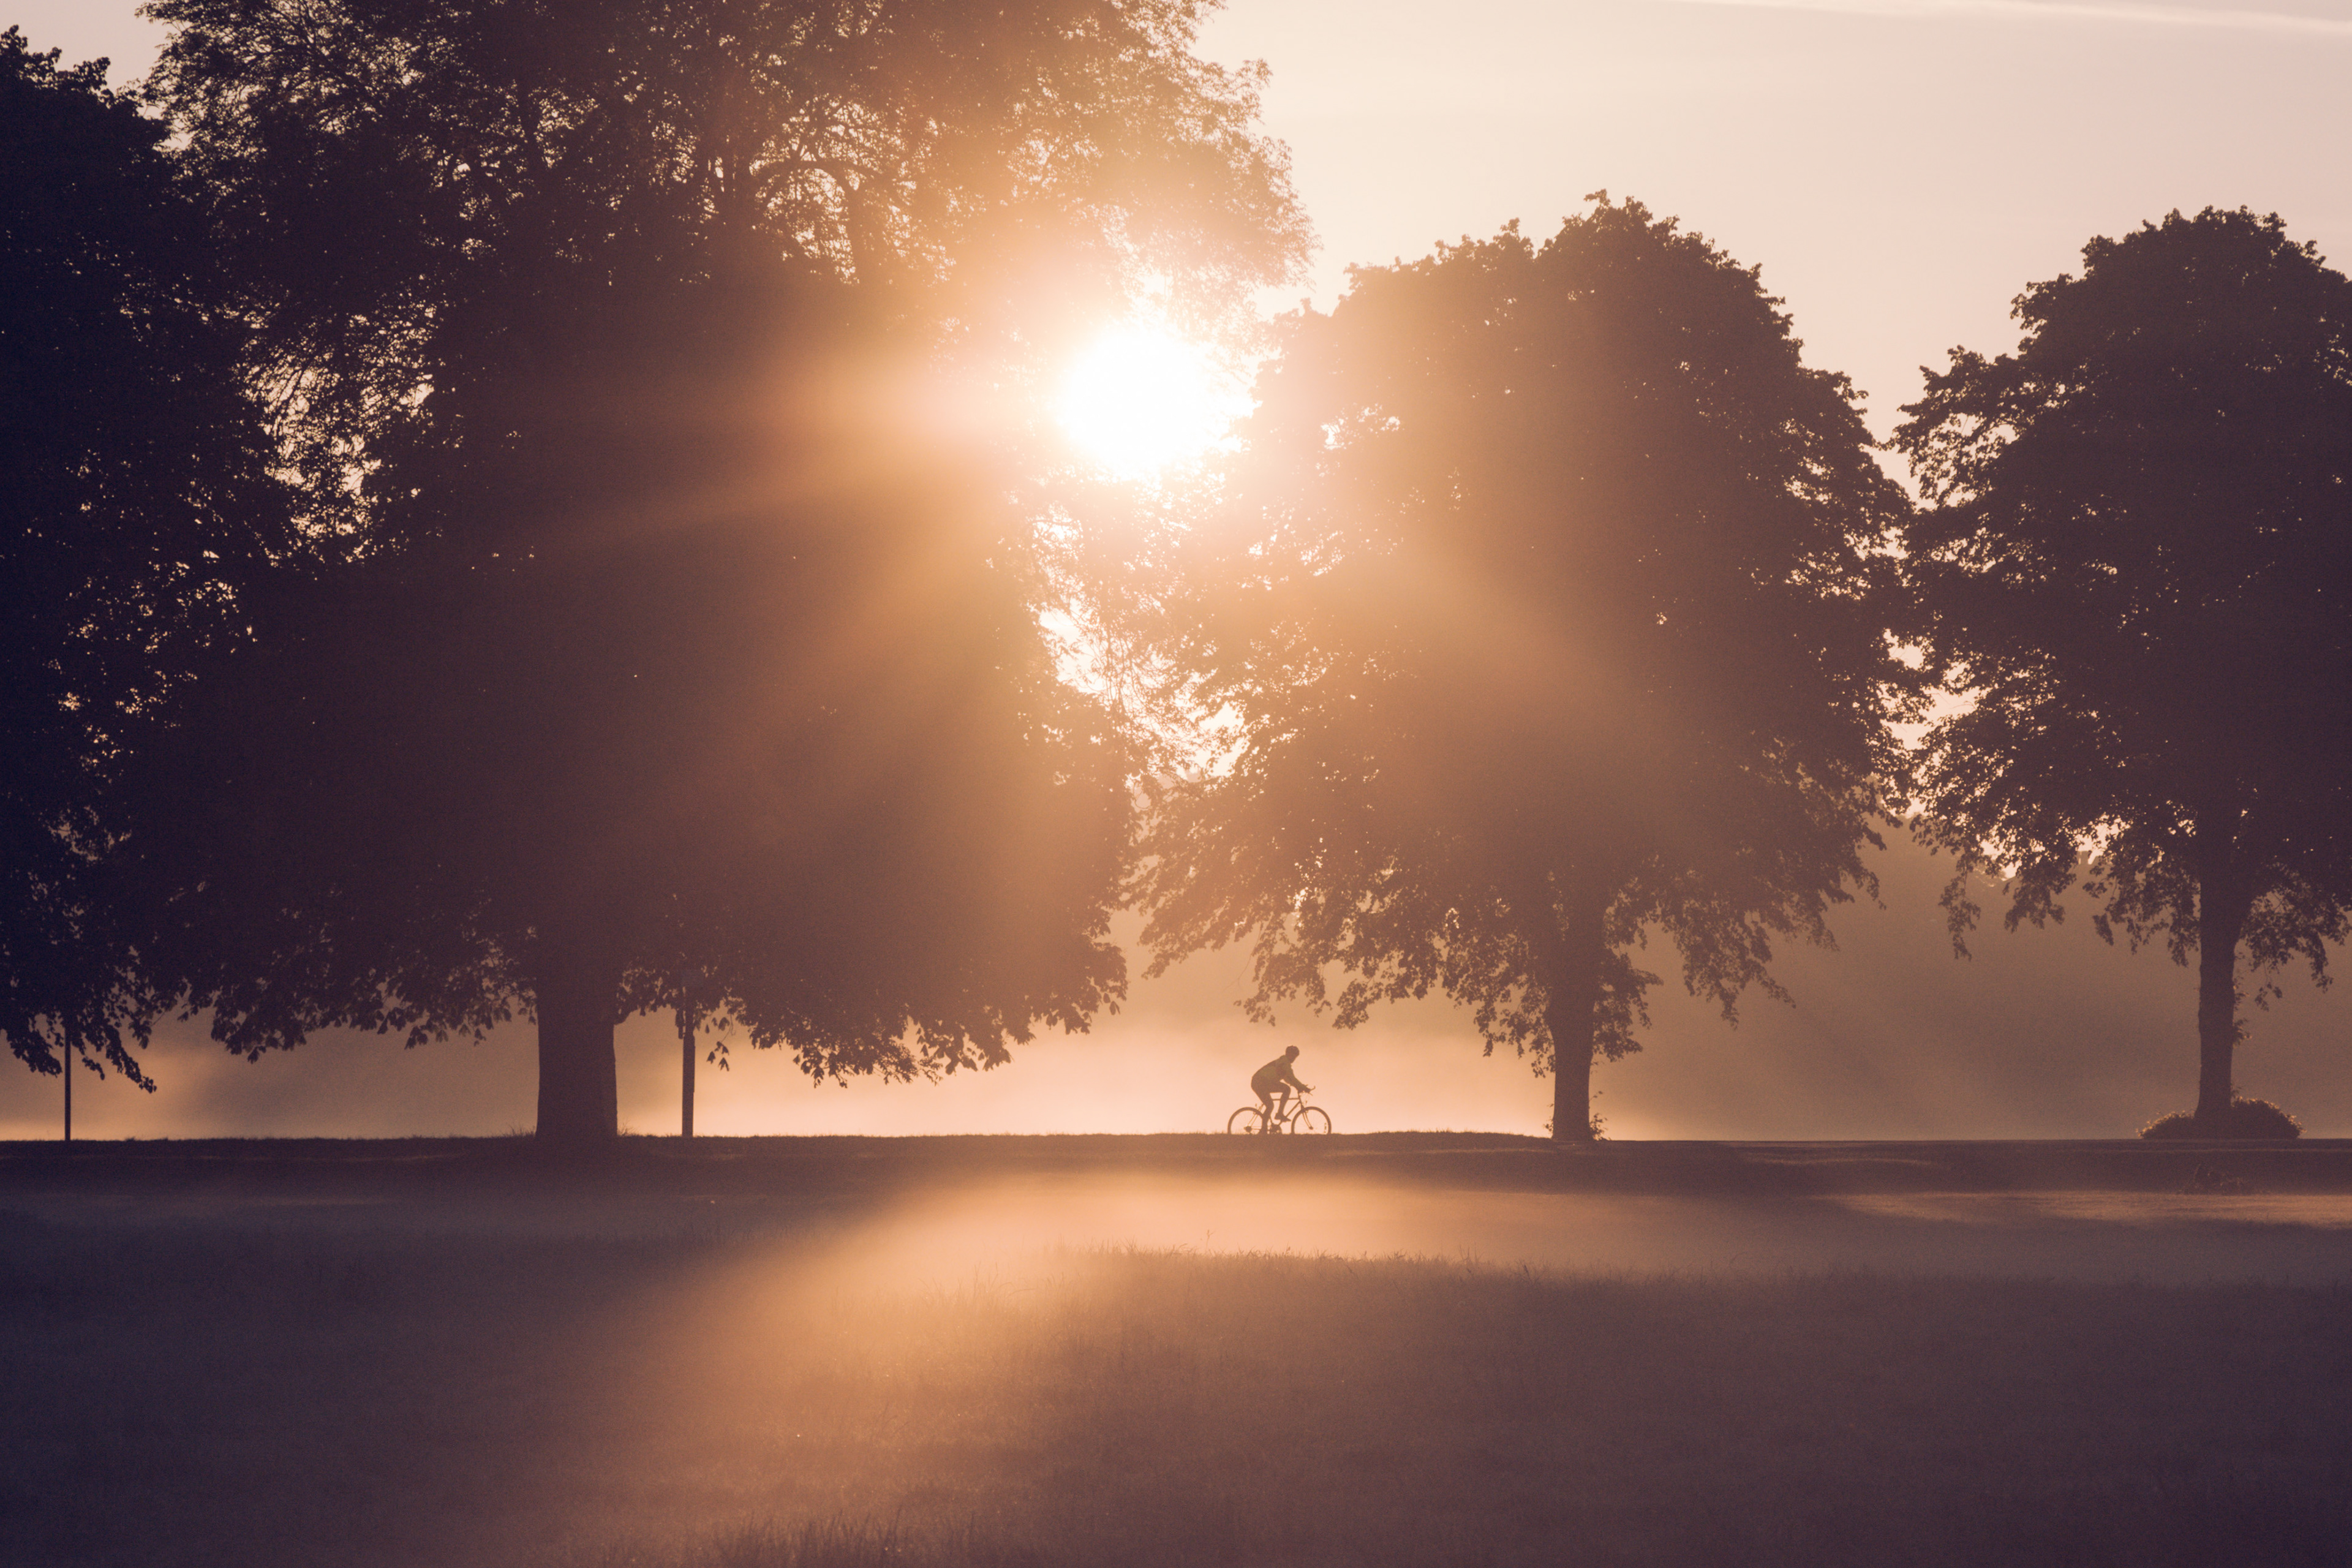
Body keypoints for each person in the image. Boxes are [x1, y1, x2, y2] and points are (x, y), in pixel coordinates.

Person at [1250, 1046, 1311, 1132]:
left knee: (1271, 1104)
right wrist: (1303, 1087)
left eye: (1296, 1057)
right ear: (1288, 1054)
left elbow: (1289, 1080)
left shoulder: (1284, 1063)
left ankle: (1266, 1128)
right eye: (1293, 1056)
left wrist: (1299, 1087)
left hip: (1260, 1081)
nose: (1294, 1058)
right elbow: (1292, 1078)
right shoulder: (1284, 1062)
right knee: (1283, 1093)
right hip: (1260, 1081)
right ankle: (1278, 1115)